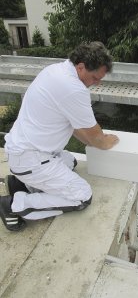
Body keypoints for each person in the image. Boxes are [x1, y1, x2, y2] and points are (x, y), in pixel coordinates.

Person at [0, 41, 119, 232]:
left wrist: (95, 140)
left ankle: (20, 182)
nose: (97, 83)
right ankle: (15, 204)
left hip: (23, 151)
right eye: (95, 78)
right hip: (31, 159)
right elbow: (95, 137)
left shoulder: (56, 70)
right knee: (82, 195)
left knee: (71, 162)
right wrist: (105, 142)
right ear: (81, 67)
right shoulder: (73, 88)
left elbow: (76, 128)